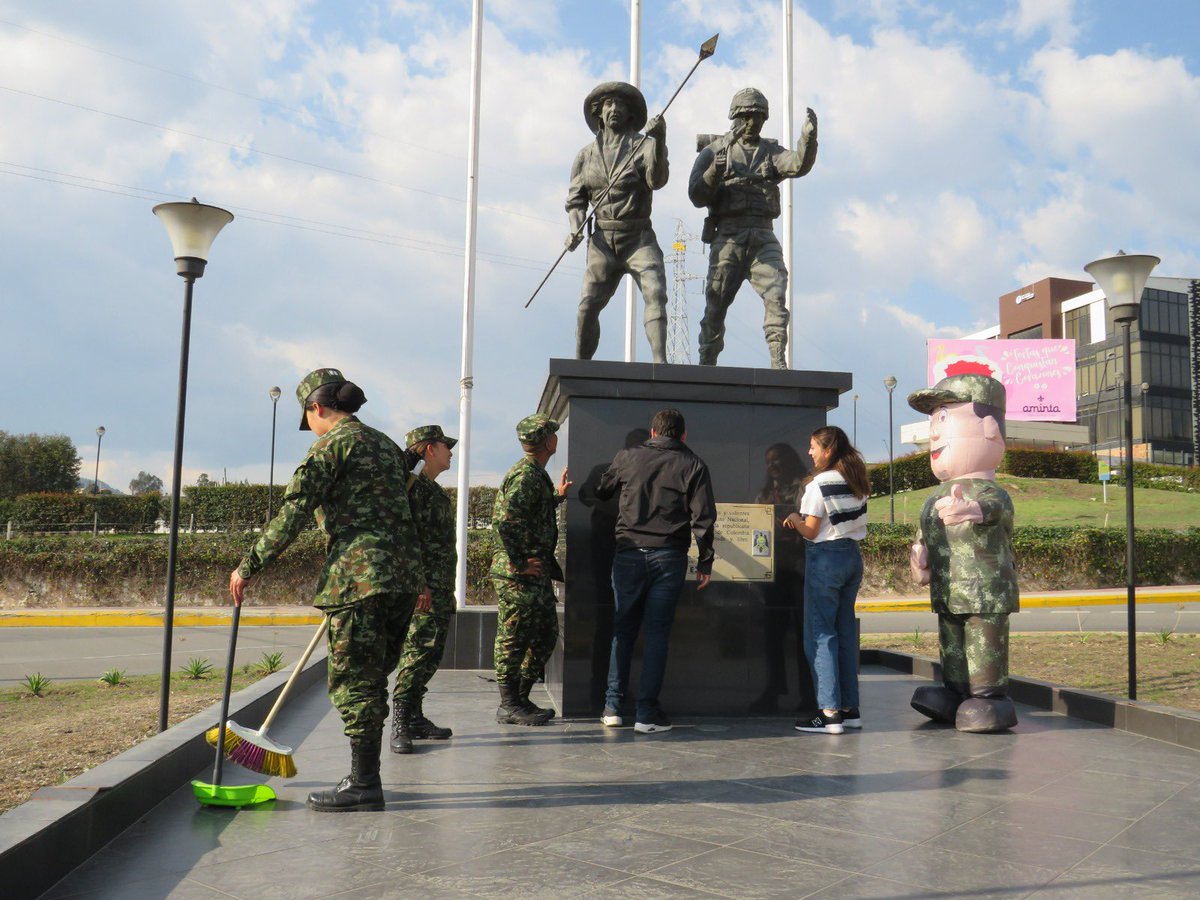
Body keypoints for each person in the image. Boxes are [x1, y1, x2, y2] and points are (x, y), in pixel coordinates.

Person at [229, 368, 423, 811]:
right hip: (403, 579)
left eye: (308, 418)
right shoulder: (384, 445)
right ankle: (365, 777)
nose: (310, 428)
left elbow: (295, 512)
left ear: (316, 408)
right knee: (373, 678)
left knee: (355, 681)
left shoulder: (331, 446)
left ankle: (363, 783)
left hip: (359, 578)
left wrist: (249, 565)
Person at [593, 408, 716, 734]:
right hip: (668, 558)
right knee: (657, 633)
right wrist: (705, 562)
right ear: (683, 435)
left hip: (629, 555)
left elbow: (602, 491)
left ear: (652, 432)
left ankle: (612, 707)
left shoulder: (628, 456)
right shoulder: (694, 464)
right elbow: (703, 518)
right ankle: (646, 714)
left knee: (623, 630)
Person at [908, 374, 1019, 733]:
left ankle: (990, 699)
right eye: (933, 422)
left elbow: (992, 510)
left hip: (985, 591)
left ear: (989, 428)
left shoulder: (992, 492)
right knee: (952, 648)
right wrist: (920, 561)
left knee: (983, 648)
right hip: (948, 591)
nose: (935, 434)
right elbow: (926, 538)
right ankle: (955, 693)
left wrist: (970, 510)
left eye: (945, 419)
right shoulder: (931, 498)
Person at [688, 88, 818, 368]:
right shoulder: (715, 151)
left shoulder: (770, 152)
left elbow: (797, 165)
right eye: (746, 117)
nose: (751, 123)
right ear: (735, 117)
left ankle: (777, 358)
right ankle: (707, 361)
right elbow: (696, 194)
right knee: (716, 303)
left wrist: (807, 138)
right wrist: (714, 171)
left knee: (776, 294)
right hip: (728, 237)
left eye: (758, 118)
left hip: (762, 235)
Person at [566, 81, 670, 362]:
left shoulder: (644, 146)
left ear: (630, 113)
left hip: (639, 238)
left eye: (620, 104)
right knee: (587, 306)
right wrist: (576, 228)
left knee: (656, 292)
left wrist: (660, 140)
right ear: (598, 113)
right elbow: (576, 201)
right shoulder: (585, 156)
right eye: (608, 104)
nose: (614, 109)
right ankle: (581, 366)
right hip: (603, 242)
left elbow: (657, 181)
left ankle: (660, 364)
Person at [785, 425, 868, 735]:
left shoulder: (819, 484)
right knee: (845, 634)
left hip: (826, 559)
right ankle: (850, 710)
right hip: (851, 558)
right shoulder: (856, 479)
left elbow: (810, 530)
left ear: (828, 449)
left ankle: (828, 712)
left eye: (813, 447)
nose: (809, 452)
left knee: (820, 635)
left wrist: (793, 518)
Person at [490, 413, 570, 725]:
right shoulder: (525, 476)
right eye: (553, 433)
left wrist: (556, 499)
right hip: (518, 576)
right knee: (513, 638)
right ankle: (509, 703)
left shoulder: (534, 475)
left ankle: (519, 698)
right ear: (548, 441)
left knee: (546, 634)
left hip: (532, 575)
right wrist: (520, 562)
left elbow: (527, 512)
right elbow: (506, 521)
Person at [390, 425, 457, 754]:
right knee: (417, 653)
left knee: (430, 655)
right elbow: (404, 538)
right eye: (446, 446)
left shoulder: (431, 489)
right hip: (423, 587)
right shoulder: (411, 488)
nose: (451, 452)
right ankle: (400, 721)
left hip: (440, 585)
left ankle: (415, 717)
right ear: (429, 449)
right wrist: (418, 583)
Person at [750, 442, 814, 714]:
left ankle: (808, 695)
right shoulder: (765, 493)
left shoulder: (805, 487)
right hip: (773, 571)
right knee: (773, 635)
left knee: (803, 634)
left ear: (790, 459)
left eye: (777, 459)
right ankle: (773, 690)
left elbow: (813, 521)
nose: (772, 465)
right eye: (768, 461)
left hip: (801, 568)